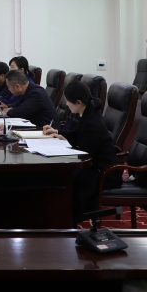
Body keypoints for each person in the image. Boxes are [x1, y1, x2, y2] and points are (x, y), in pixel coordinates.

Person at [42, 81, 122, 224]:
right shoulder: (88, 112)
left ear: (78, 102)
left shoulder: (92, 123)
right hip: (95, 166)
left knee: (63, 179)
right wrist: (58, 132)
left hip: (103, 173)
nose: (66, 104)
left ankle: (66, 219)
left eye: (68, 101)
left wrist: (59, 148)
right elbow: (78, 134)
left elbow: (84, 153)